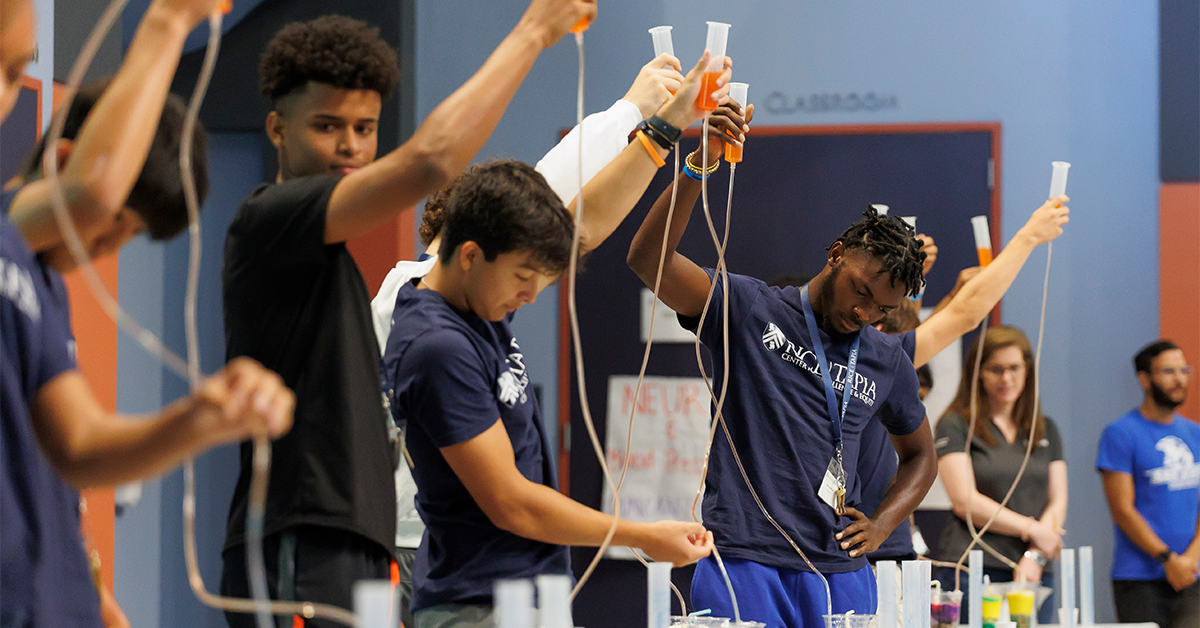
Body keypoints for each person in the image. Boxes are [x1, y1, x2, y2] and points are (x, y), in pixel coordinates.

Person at [219, 3, 596, 625]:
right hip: (300, 537)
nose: (349, 146)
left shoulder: (368, 267)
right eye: (327, 125)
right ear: (277, 129)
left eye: (365, 129)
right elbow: (431, 161)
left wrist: (657, 130)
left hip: (353, 542)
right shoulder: (269, 220)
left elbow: (574, 226)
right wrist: (533, 33)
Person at [383, 50, 728, 628]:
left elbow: (582, 228)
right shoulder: (435, 344)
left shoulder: (476, 306)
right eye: (523, 276)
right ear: (469, 254)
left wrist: (665, 125)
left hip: (523, 594)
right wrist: (642, 534)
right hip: (478, 604)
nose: (533, 293)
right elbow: (511, 502)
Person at [1, 1, 295, 626]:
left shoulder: (38, 284)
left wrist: (200, 418)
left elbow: (79, 444)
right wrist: (167, 22)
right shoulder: (10, 237)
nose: (105, 247)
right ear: (64, 162)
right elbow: (92, 192)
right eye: (5, 73)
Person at [627, 110, 938, 627]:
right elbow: (649, 259)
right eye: (861, 292)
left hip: (841, 570)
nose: (864, 314)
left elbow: (922, 456)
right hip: (746, 559)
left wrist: (883, 524)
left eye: (882, 310)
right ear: (836, 255)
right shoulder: (750, 309)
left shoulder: (886, 359)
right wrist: (699, 163)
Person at [932, 326, 1066, 624]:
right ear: (978, 372)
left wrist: (1035, 556)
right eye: (996, 369)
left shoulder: (1046, 428)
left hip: (1034, 571)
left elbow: (1057, 502)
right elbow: (965, 501)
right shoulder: (955, 425)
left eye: (1015, 368)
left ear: (1028, 370)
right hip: (974, 568)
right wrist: (1033, 530)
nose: (1006, 379)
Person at [1097, 340, 1200, 628]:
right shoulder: (1120, 434)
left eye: (1184, 370)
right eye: (1168, 371)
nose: (1179, 379)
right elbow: (1122, 509)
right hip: (1140, 580)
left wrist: (1190, 559)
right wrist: (1167, 559)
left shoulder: (1195, 434)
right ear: (1145, 379)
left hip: (1192, 576)